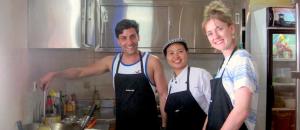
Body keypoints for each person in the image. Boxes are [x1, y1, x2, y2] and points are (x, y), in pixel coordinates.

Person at [39, 19, 168, 130]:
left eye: (132, 36)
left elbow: (163, 95)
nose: (129, 42)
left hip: (149, 126)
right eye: (124, 38)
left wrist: (165, 125)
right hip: (123, 126)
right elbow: (80, 72)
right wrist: (55, 74)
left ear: (138, 37)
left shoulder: (151, 61)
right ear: (118, 40)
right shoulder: (112, 62)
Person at [201, 1, 259, 130]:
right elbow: (213, 106)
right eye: (210, 33)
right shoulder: (224, 64)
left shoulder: (241, 59)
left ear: (231, 28)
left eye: (219, 29)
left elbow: (242, 110)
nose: (215, 36)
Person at [162, 38, 212, 130]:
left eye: (180, 51)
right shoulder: (171, 83)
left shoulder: (200, 74)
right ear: (166, 58)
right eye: (171, 53)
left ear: (187, 53)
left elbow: (215, 106)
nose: (176, 56)